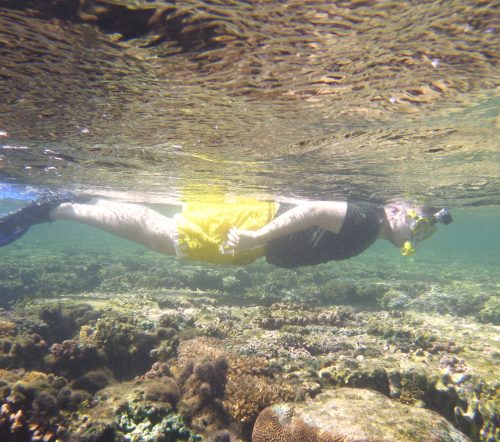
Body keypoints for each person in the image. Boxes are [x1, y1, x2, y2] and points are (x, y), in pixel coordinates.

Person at [0, 194, 452, 268]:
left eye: (428, 229)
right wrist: (258, 237)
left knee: (163, 235)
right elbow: (314, 209)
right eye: (421, 219)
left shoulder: (371, 225)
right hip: (254, 231)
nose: (422, 230)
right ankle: (58, 209)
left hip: (256, 235)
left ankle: (73, 204)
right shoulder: (367, 219)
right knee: (164, 235)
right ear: (398, 209)